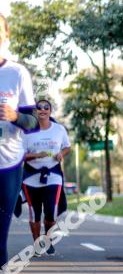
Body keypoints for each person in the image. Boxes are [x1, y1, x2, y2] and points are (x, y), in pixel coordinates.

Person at [0, 14, 38, 274]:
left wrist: (14, 116)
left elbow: (32, 123)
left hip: (7, 165)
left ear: (6, 35)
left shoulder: (16, 73)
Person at [22, 98, 70, 256]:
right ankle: (36, 243)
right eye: (39, 107)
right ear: (35, 111)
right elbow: (20, 155)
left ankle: (47, 239)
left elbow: (67, 147)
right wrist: (36, 155)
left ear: (50, 111)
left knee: (51, 211)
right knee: (34, 212)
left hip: (53, 174)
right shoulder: (27, 132)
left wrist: (61, 155)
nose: (43, 110)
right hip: (31, 176)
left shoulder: (59, 129)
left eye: (46, 107)